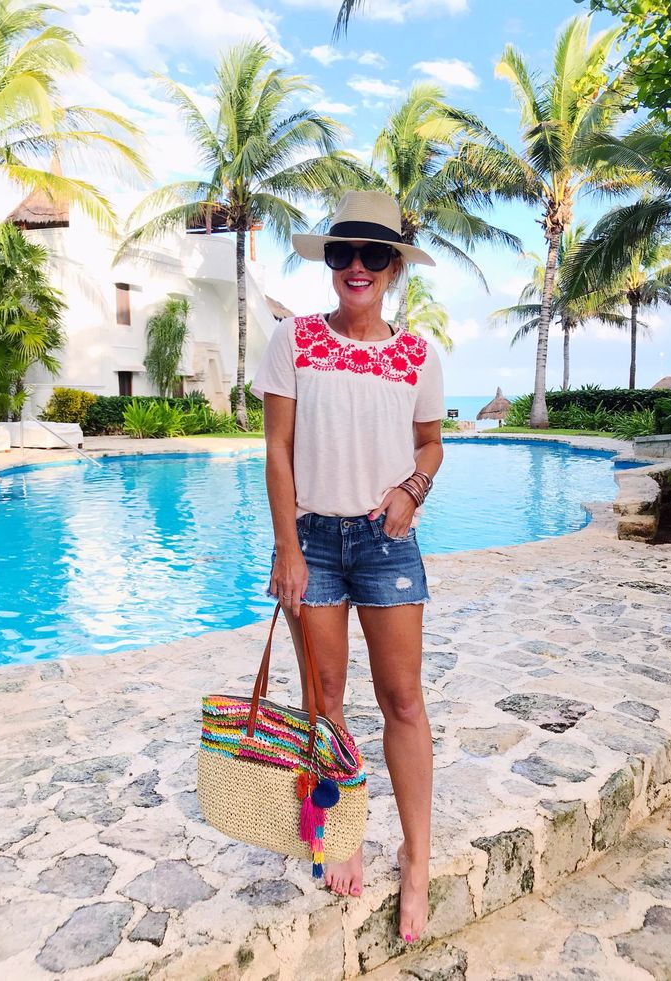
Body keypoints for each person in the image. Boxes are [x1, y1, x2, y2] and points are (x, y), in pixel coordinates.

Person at [250, 190, 444, 944]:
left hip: (387, 540)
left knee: (402, 698)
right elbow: (275, 450)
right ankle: (346, 831)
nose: (354, 267)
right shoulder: (293, 339)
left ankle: (417, 858)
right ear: (329, 262)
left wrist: (412, 488)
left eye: (371, 255)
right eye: (341, 253)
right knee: (325, 697)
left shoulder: (417, 354)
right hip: (314, 543)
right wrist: (288, 546)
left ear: (393, 266)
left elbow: (431, 443)